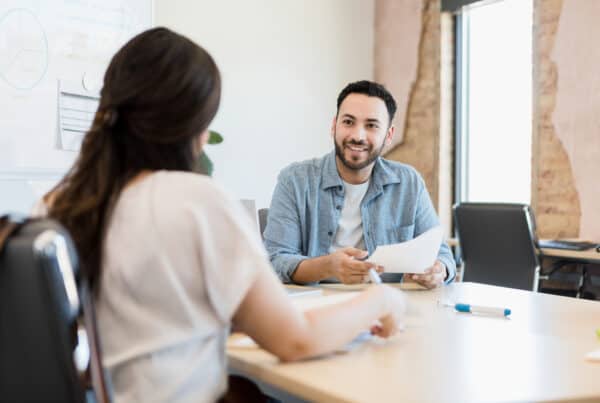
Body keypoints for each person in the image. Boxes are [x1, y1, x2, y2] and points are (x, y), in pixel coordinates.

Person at [43, 29, 406, 403]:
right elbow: (295, 339)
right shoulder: (197, 202)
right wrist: (382, 302)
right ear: (194, 128)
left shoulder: (68, 203)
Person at [263, 80, 455, 288]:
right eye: (348, 122)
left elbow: (442, 255)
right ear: (334, 126)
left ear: (388, 135)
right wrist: (327, 266)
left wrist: (438, 271)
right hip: (315, 307)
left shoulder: (409, 183)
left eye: (371, 125)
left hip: (387, 305)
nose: (357, 136)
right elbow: (276, 261)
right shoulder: (294, 180)